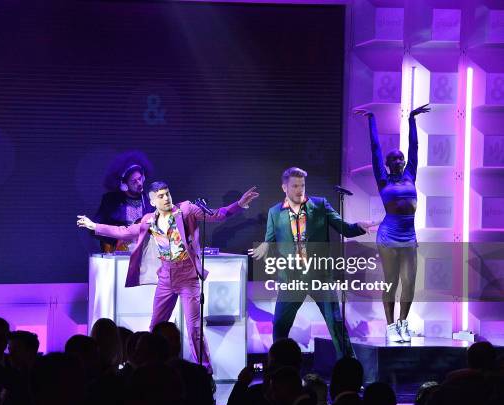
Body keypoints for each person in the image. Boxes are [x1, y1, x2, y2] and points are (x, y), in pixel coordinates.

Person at [78, 181, 259, 373]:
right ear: (152, 200)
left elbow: (216, 215)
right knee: (156, 325)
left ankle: (205, 370)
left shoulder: (186, 209)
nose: (166, 198)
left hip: (188, 276)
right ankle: (147, 365)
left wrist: (239, 205)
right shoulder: (149, 219)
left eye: (167, 194)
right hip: (165, 277)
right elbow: (124, 232)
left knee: (194, 329)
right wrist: (95, 226)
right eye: (161, 196)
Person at [250, 167, 375, 358]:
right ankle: (278, 368)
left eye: (302, 185)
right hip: (291, 279)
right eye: (295, 186)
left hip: (320, 277)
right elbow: (270, 239)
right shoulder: (275, 213)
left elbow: (345, 229)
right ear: (284, 188)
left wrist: (359, 227)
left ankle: (350, 368)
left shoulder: (320, 205)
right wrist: (265, 246)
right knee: (280, 326)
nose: (299, 190)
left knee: (336, 325)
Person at [354, 104, 430, 343]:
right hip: (388, 236)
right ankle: (390, 327)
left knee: (409, 283)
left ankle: (403, 324)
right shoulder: (383, 180)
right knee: (392, 281)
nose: (398, 160)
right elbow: (375, 148)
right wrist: (371, 120)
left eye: (401, 158)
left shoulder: (410, 175)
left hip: (409, 237)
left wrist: (412, 120)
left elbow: (415, 147)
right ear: (387, 164)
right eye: (394, 158)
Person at [94, 151, 155, 253]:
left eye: (140, 179)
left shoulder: (150, 202)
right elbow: (94, 229)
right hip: (117, 255)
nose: (139, 183)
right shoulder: (110, 201)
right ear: (124, 185)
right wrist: (116, 240)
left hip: (142, 255)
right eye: (134, 181)